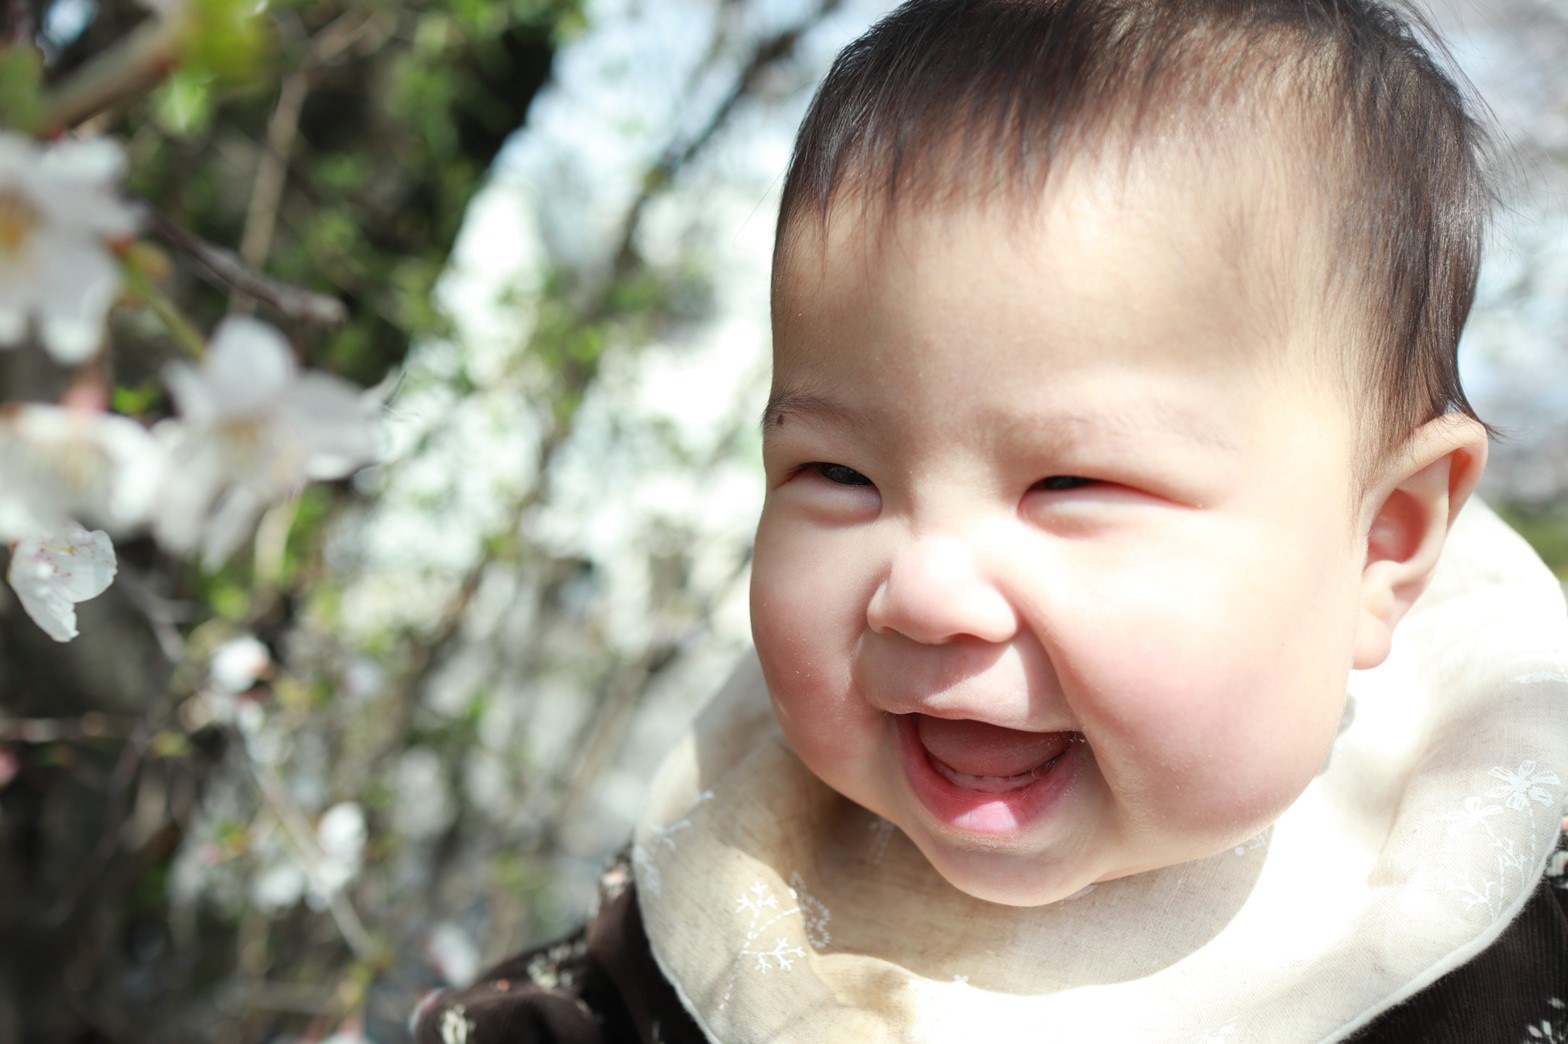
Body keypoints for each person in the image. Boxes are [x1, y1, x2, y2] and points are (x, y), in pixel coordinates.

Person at [413, 0, 1568, 1039]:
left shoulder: (1492, 906)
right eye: (837, 475)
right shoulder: (733, 886)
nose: (920, 590)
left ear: (1382, 544)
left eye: (1070, 487)